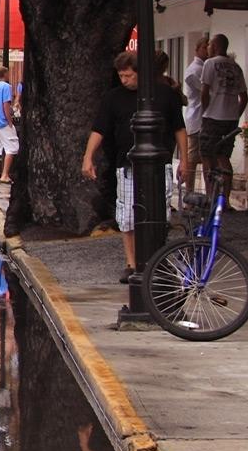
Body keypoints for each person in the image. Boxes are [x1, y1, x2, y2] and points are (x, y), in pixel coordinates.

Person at [81, 49, 192, 285]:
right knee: (127, 216)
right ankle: (131, 263)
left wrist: (185, 158)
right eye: (121, 76)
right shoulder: (114, 98)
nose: (124, 81)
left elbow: (179, 129)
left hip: (159, 164)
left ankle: (156, 259)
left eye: (129, 76)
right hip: (126, 164)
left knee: (159, 214)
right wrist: (88, 156)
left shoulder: (164, 95)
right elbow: (99, 128)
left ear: (140, 73)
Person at [199, 33, 247, 205]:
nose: (209, 47)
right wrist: (235, 115)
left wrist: (204, 110)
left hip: (212, 117)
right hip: (230, 119)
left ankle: (210, 196)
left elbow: (204, 91)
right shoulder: (236, 67)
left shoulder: (209, 64)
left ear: (216, 46)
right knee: (224, 157)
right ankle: (225, 199)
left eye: (211, 44)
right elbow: (244, 98)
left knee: (207, 156)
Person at [182, 34, 208, 189]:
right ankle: (189, 190)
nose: (207, 51)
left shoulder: (206, 67)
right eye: (204, 48)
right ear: (197, 49)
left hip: (204, 118)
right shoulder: (194, 70)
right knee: (193, 157)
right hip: (196, 118)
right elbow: (205, 92)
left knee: (206, 158)